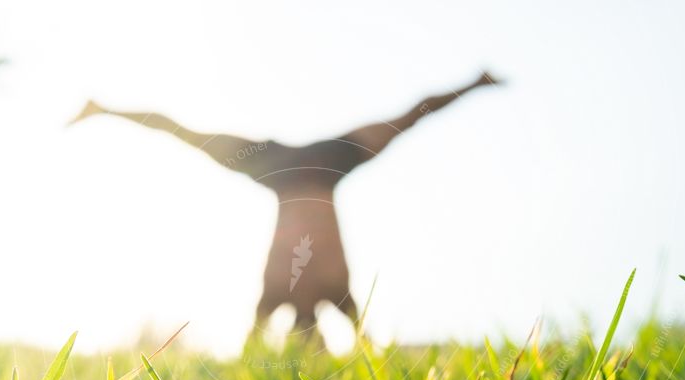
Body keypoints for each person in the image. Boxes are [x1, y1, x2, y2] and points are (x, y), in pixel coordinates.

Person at [70, 71, 501, 341]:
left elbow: (413, 115)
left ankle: (102, 108)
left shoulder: (293, 292)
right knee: (186, 135)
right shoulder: (320, 292)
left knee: (187, 135)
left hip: (286, 166)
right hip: (311, 166)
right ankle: (103, 108)